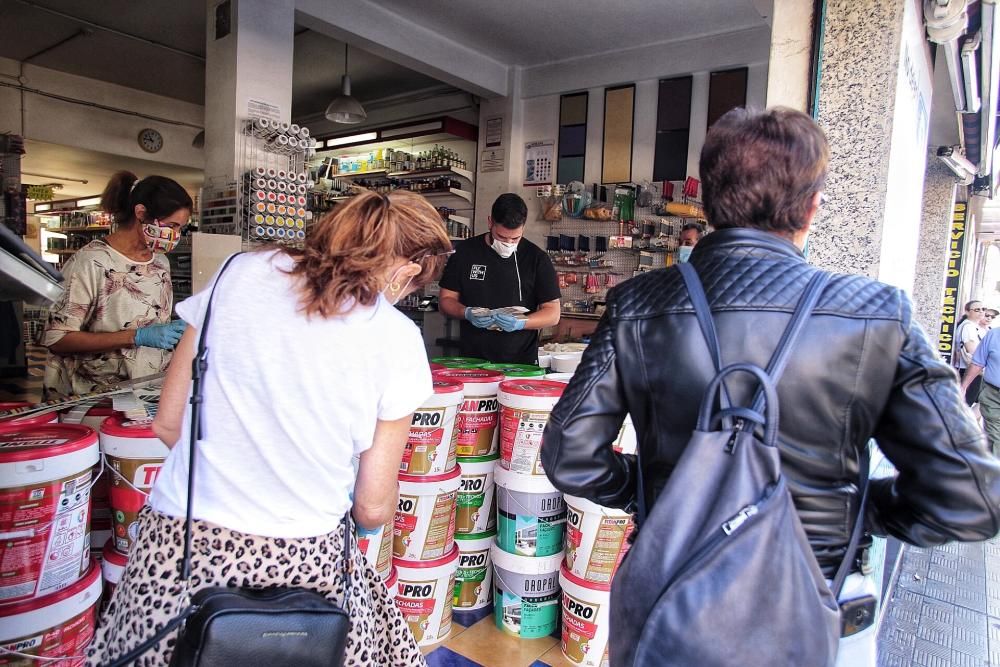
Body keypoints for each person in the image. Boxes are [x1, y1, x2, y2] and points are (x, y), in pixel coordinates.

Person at [541, 107, 1000, 667]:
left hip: (673, 597)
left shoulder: (640, 304)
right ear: (813, 205)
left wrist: (655, 494)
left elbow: (570, 457)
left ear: (708, 203)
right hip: (822, 607)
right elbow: (969, 496)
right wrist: (857, 511)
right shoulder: (879, 313)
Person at [87, 191, 453, 666]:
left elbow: (169, 421)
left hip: (178, 549)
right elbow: (371, 505)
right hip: (304, 561)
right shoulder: (398, 338)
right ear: (408, 268)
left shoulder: (238, 272)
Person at [41, 171, 189, 398]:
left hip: (147, 391)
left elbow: (151, 318)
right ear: (141, 213)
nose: (176, 235)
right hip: (94, 397)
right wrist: (135, 336)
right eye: (172, 225)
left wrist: (173, 331)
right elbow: (57, 339)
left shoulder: (160, 263)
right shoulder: (91, 262)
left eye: (180, 228)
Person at [438, 193, 560, 363]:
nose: (508, 243)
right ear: (490, 222)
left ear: (523, 228)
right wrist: (466, 313)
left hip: (520, 363)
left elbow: (553, 313)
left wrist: (522, 322)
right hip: (472, 360)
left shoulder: (537, 259)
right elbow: (446, 299)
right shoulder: (465, 252)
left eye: (515, 238)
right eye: (501, 237)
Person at [962, 326, 1000, 456]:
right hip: (993, 394)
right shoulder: (993, 335)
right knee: (994, 437)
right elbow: (978, 363)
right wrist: (963, 386)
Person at [956, 301, 988, 405]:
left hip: (975, 370)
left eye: (983, 309)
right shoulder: (968, 326)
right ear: (967, 312)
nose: (981, 312)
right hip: (968, 370)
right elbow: (972, 350)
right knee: (965, 405)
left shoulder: (976, 327)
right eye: (977, 309)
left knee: (981, 403)